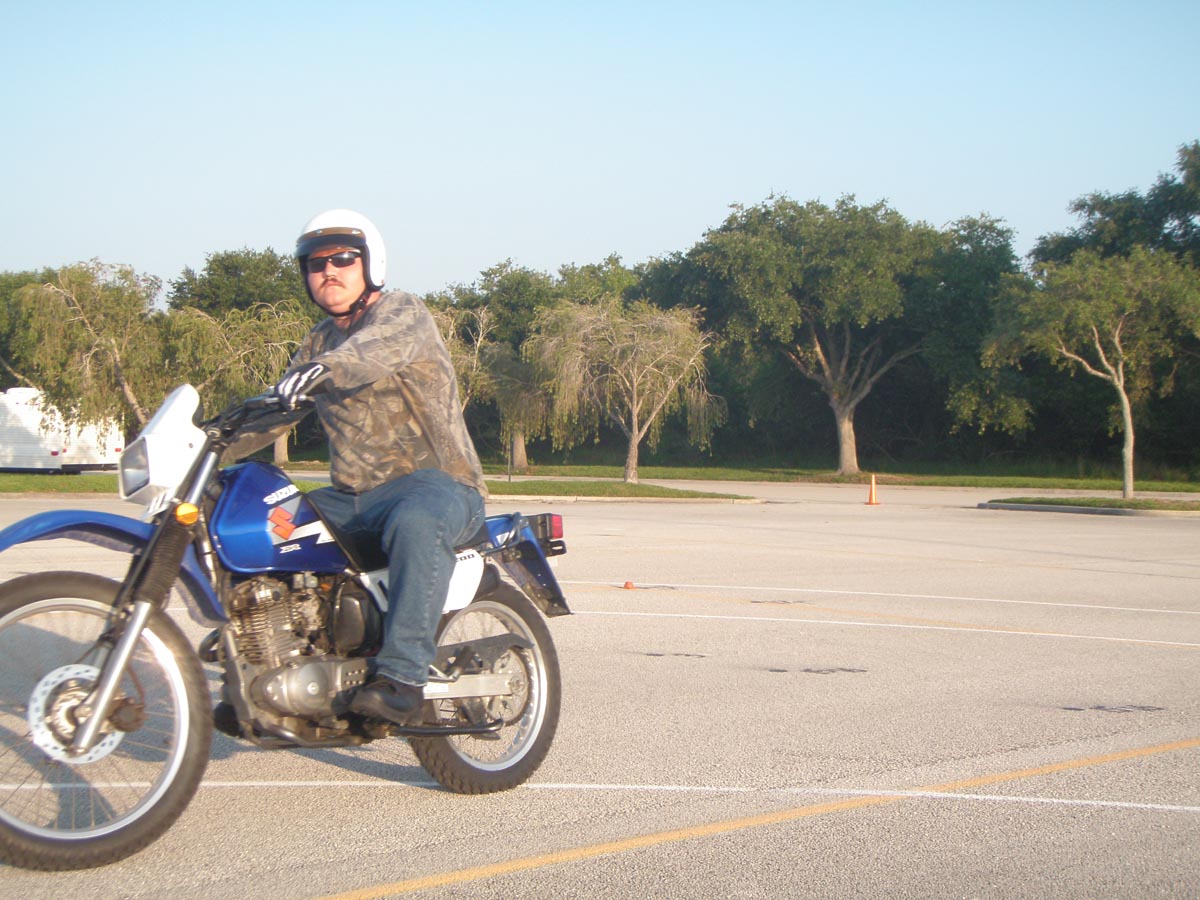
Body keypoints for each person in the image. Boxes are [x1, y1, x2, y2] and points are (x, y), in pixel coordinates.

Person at [233, 209, 487, 726]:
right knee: (263, 524)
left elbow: (368, 353)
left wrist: (321, 371)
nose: (329, 271)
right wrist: (208, 442)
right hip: (351, 496)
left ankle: (403, 678)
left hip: (437, 485)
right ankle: (274, 669)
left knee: (417, 521)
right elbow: (276, 412)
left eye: (343, 259)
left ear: (371, 264)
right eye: (316, 263)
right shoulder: (317, 341)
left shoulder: (402, 313)